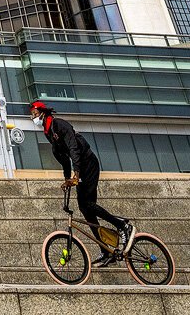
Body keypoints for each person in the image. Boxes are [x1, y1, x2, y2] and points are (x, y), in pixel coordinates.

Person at [31, 99, 132, 264]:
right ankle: (106, 251)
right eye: (32, 116)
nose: (33, 118)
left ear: (43, 113)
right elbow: (63, 158)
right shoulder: (49, 132)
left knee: (88, 204)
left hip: (88, 164)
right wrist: (66, 179)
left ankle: (121, 225)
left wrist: (76, 174)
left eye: (35, 114)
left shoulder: (60, 125)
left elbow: (74, 149)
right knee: (86, 211)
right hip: (80, 168)